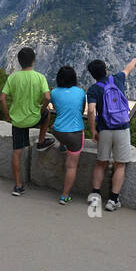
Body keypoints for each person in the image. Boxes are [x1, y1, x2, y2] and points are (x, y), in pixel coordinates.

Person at [86, 56, 136, 212]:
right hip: (122, 128)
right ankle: (113, 200)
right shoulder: (117, 79)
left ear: (93, 75)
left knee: (101, 163)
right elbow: (128, 68)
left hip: (105, 129)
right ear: (106, 70)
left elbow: (90, 110)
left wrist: (93, 129)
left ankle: (95, 198)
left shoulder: (93, 89)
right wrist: (135, 60)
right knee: (120, 164)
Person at [0, 47, 53, 196]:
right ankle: (41, 141)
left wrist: (8, 115)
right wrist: (41, 109)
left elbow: (2, 98)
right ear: (34, 61)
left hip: (17, 120)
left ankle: (18, 185)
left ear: (19, 62)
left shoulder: (13, 78)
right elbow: (47, 97)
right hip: (35, 117)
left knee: (17, 151)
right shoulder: (40, 77)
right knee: (47, 114)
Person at [48, 65, 87, 205]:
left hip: (57, 131)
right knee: (71, 166)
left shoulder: (54, 92)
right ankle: (65, 196)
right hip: (75, 133)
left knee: (60, 129)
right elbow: (82, 111)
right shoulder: (81, 92)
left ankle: (63, 146)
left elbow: (54, 107)